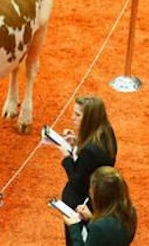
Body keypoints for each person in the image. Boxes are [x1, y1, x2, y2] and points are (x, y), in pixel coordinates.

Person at [60, 96, 118, 246]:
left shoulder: (89, 151)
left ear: (90, 119)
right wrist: (78, 141)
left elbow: (77, 183)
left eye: (78, 115)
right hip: (98, 199)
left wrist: (66, 156)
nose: (73, 118)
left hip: (80, 207)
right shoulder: (107, 132)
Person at [63, 166, 137, 245]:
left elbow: (101, 232)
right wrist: (90, 219)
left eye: (91, 188)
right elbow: (110, 235)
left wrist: (74, 227)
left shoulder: (98, 227)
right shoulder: (131, 212)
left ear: (99, 196)